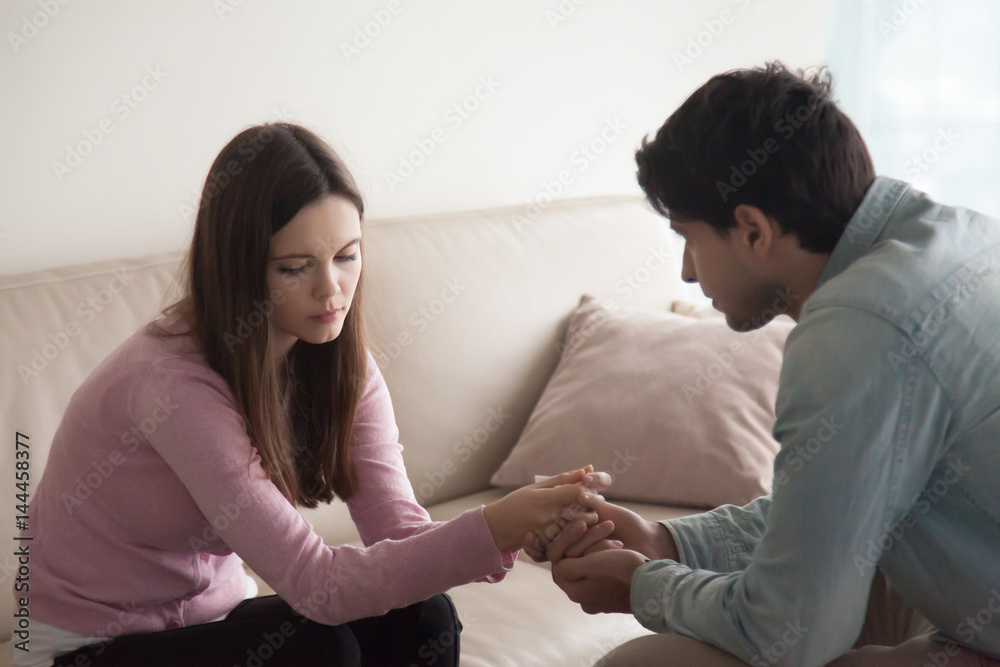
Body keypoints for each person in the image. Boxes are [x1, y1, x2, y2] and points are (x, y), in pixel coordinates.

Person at [15, 122, 608, 667]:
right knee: (317, 649)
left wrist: (519, 527)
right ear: (240, 267)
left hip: (209, 621)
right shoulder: (171, 384)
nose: (332, 290)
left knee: (424, 617)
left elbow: (400, 536)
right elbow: (318, 587)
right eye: (295, 268)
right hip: (84, 646)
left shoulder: (339, 362)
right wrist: (494, 526)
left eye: (347, 256)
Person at [524, 62, 1000, 666]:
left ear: (752, 230)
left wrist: (643, 586)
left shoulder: (859, 330)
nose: (686, 272)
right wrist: (666, 542)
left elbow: (790, 633)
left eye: (688, 238)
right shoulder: (963, 235)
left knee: (645, 665)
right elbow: (834, 506)